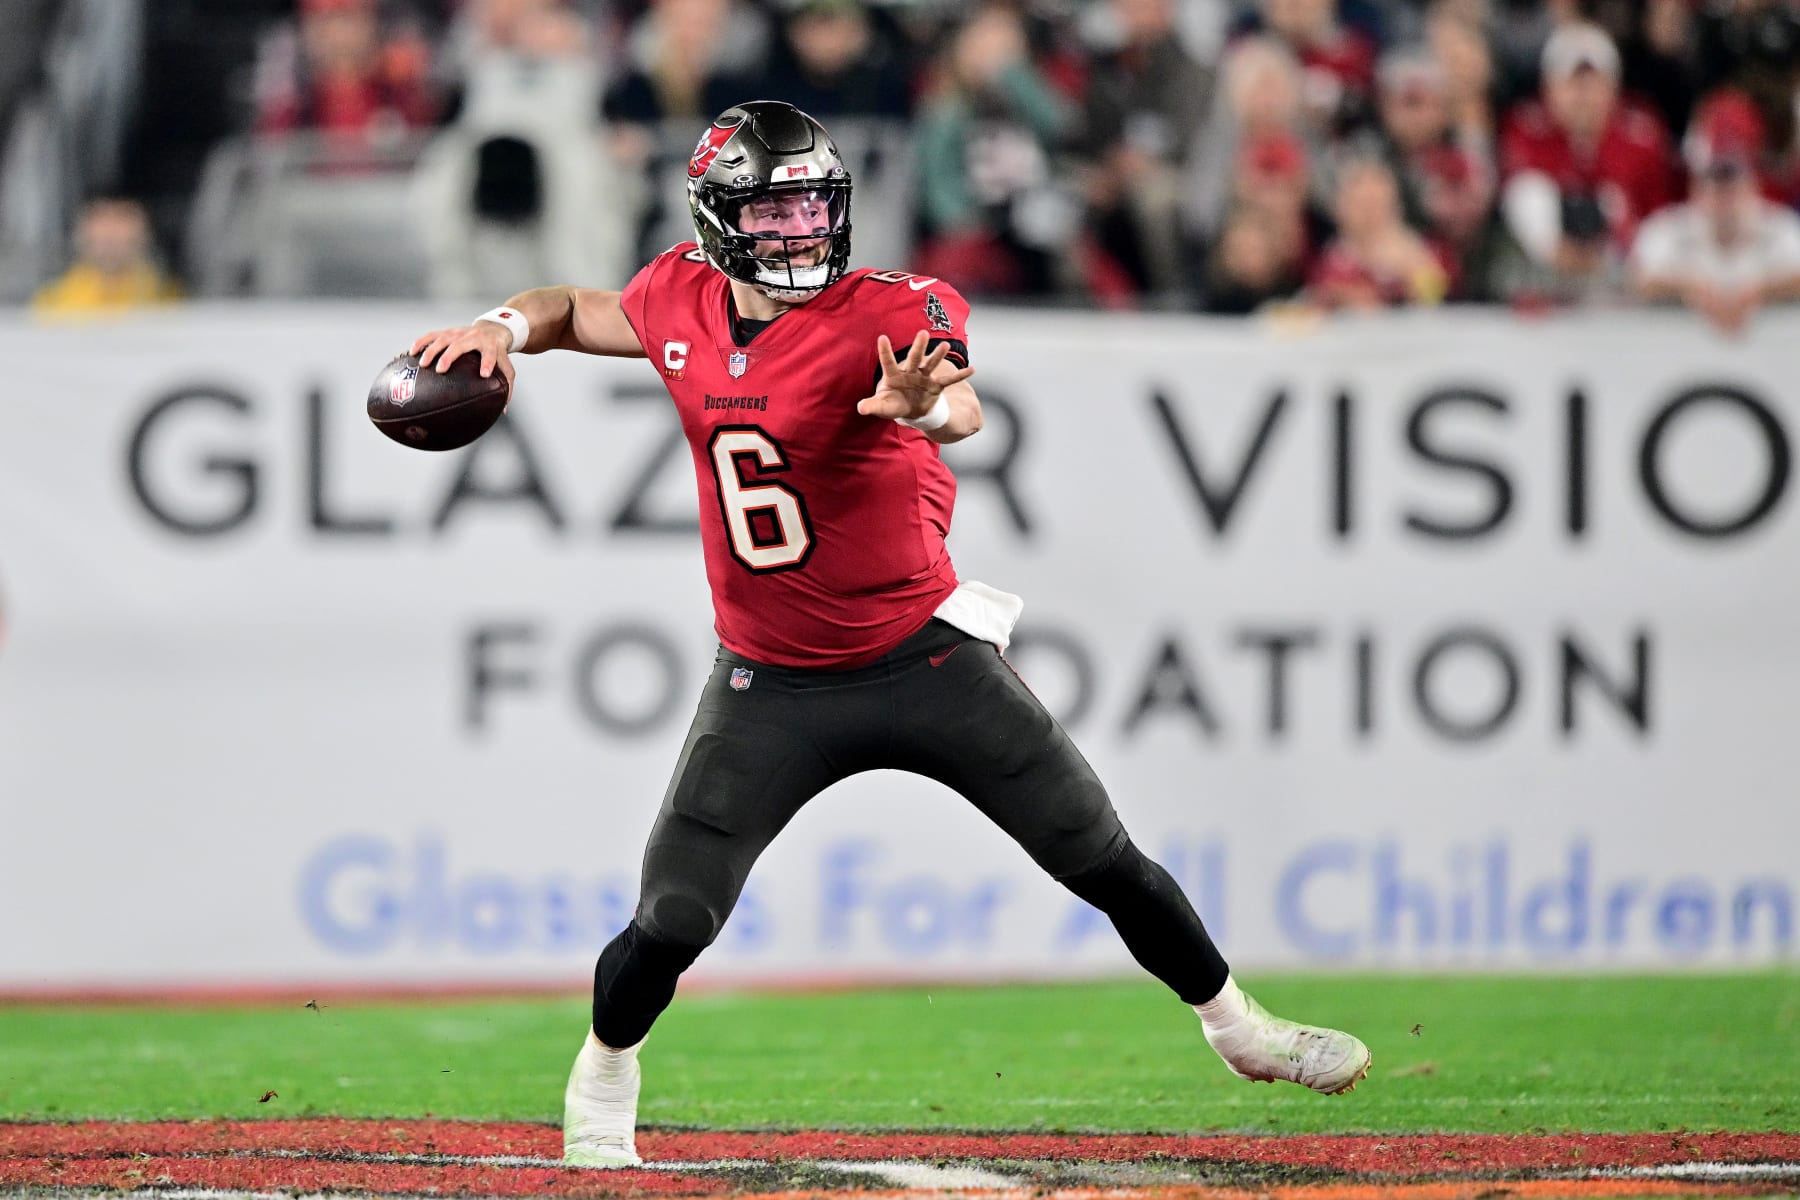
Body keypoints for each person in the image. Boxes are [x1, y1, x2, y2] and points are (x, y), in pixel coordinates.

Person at [408, 100, 1371, 1170]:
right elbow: (575, 309)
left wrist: (921, 405)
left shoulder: (889, 309)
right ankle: (603, 1070)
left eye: (818, 206)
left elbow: (959, 403)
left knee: (1100, 855)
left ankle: (1239, 1027)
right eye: (776, 212)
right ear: (720, 218)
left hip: (925, 654)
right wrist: (499, 325)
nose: (803, 232)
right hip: (769, 678)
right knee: (674, 917)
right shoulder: (677, 294)